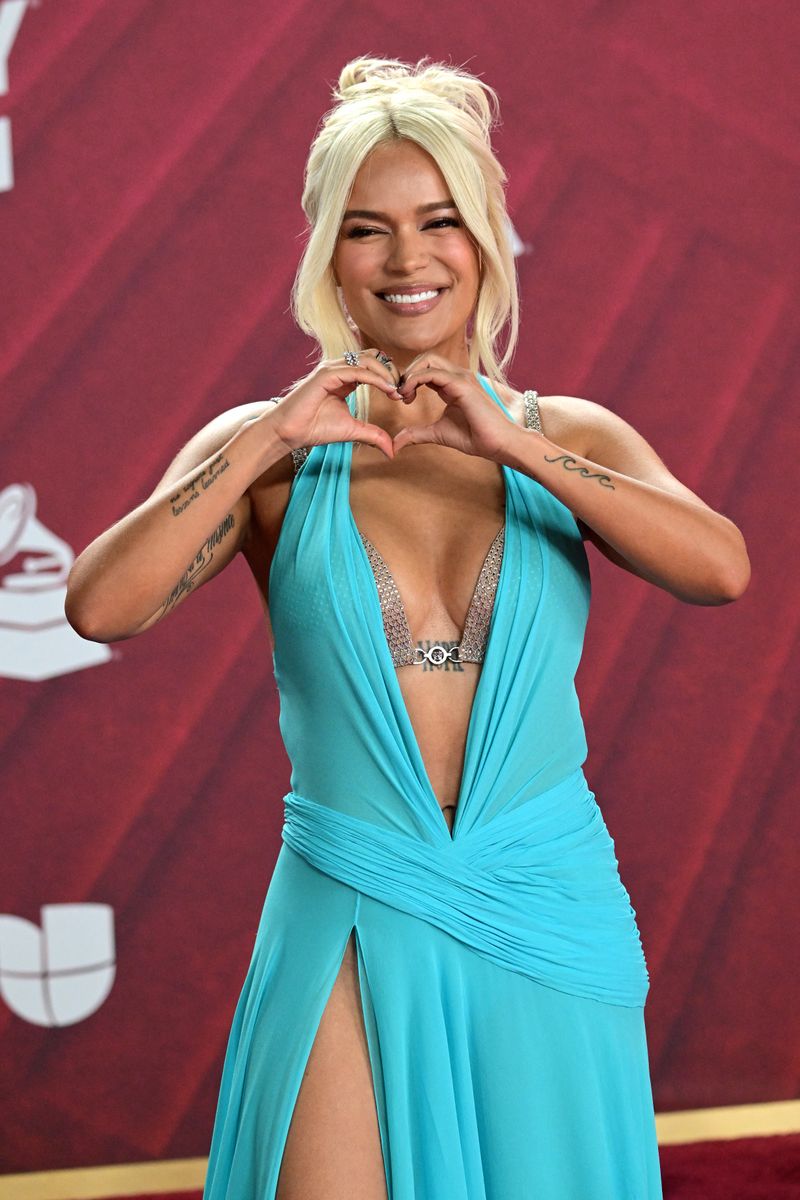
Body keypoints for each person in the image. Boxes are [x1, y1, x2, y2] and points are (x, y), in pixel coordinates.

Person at [65, 54, 750, 1200]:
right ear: (327, 252)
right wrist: (264, 442)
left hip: (542, 889)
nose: (405, 259)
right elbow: (98, 606)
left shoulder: (566, 434)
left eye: (438, 221)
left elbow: (718, 567)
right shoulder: (273, 450)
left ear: (483, 239)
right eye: (365, 228)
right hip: (347, 889)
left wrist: (515, 446)